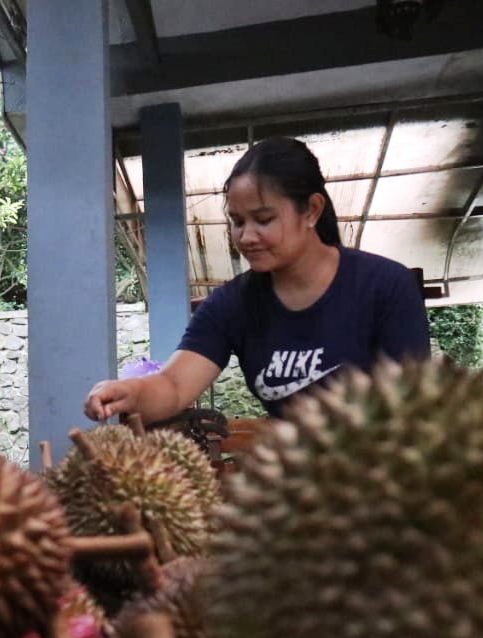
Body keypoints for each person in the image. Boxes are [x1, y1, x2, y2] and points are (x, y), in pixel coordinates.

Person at [84, 136, 430, 423]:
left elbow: (410, 411)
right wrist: (132, 393)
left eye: (263, 219)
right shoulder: (231, 306)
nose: (245, 236)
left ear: (311, 210)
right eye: (236, 221)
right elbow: (174, 386)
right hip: (290, 488)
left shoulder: (385, 287)